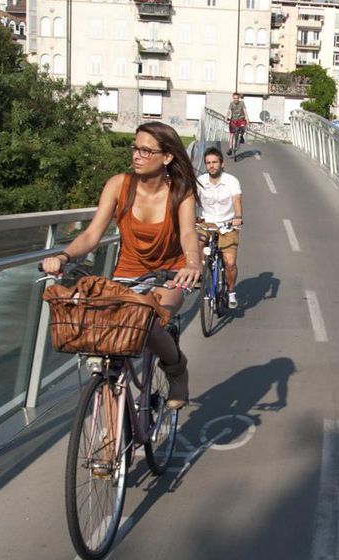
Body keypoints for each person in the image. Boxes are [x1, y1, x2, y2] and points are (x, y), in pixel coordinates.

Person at [41, 121, 201, 409]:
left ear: (167, 157)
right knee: (103, 333)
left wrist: (192, 264)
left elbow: (189, 233)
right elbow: (92, 234)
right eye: (134, 148)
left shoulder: (180, 191)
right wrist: (64, 256)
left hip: (170, 274)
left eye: (145, 150)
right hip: (126, 273)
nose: (136, 155)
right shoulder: (119, 185)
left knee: (149, 320)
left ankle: (177, 369)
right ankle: (112, 434)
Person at [196, 147, 244, 308]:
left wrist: (237, 217)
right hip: (207, 221)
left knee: (229, 262)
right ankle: (199, 275)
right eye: (208, 163)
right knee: (197, 243)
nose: (211, 166)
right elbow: (190, 199)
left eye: (214, 162)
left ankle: (231, 291)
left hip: (227, 223)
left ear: (222, 164)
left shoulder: (231, 181)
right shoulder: (200, 181)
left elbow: (236, 199)